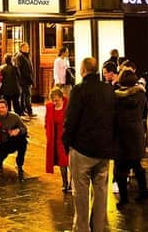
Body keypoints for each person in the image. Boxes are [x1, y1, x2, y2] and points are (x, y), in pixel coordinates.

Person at [62, 57, 116, 232]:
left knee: (81, 193)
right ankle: (98, 227)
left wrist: (66, 143)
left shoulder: (79, 90)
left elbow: (71, 120)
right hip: (104, 149)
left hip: (82, 148)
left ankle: (82, 228)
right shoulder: (108, 89)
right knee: (101, 192)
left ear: (83, 70)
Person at [114, 70, 148, 207]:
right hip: (136, 133)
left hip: (122, 135)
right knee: (137, 164)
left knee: (120, 169)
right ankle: (144, 191)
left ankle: (124, 198)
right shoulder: (141, 95)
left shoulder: (117, 98)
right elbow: (146, 111)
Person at [0, 98, 28, 181]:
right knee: (0, 153)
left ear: (7, 108)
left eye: (3, 107)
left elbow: (24, 128)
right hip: (1, 143)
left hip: (12, 140)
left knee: (23, 142)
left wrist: (18, 130)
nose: (1, 109)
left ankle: (19, 164)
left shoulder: (14, 117)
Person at [45, 88, 69, 192]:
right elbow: (47, 121)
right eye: (53, 100)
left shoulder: (68, 106)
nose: (55, 102)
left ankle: (73, 182)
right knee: (62, 162)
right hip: (57, 139)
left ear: (61, 98)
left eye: (57, 100)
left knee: (71, 162)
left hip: (67, 137)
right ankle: (65, 182)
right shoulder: (50, 107)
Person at [14, 42, 35, 120]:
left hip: (26, 79)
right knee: (25, 96)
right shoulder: (20, 56)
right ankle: (27, 111)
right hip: (24, 80)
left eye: (28, 47)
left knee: (25, 96)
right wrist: (28, 79)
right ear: (21, 48)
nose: (28, 49)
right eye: (26, 47)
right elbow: (20, 69)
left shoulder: (25, 56)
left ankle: (25, 110)